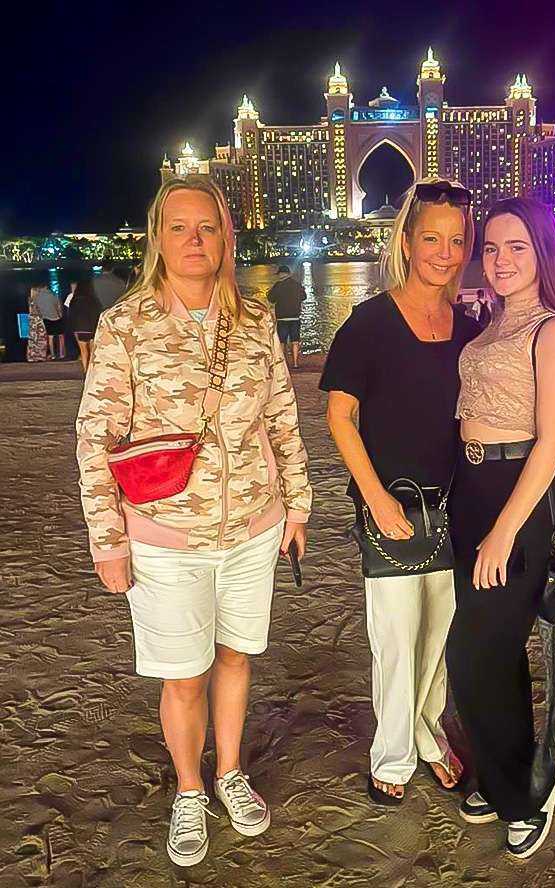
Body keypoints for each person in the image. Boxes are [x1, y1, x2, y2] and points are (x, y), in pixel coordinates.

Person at [76, 175, 312, 868]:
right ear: (158, 238)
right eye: (178, 227)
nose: (193, 240)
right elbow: (96, 436)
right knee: (183, 675)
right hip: (163, 536)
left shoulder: (256, 320)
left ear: (225, 237)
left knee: (236, 656)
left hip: (251, 528)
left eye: (206, 227)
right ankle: (188, 788)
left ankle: (229, 772)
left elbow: (280, 420)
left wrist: (296, 504)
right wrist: (107, 539)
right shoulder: (126, 325)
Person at [321, 178, 480, 804]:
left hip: (454, 506)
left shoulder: (467, 327)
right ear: (408, 241)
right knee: (395, 639)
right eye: (432, 238)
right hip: (391, 506)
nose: (445, 252)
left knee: (438, 636)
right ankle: (392, 749)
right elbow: (340, 415)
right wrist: (376, 498)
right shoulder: (370, 323)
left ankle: (427, 731)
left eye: (457, 240)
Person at [446, 196, 555, 859]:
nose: (500, 261)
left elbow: (550, 442)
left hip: (516, 500)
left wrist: (504, 530)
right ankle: (504, 773)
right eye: (492, 249)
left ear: (542, 254)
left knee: (471, 654)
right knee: (495, 651)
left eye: (517, 248)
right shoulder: (492, 323)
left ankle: (527, 792)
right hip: (472, 492)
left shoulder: (551, 330)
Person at [267, 265, 306, 369]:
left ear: (281, 274)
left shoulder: (278, 285)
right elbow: (304, 296)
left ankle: (284, 363)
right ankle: (295, 363)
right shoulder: (297, 285)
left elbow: (271, 299)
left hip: (282, 318)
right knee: (295, 341)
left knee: (282, 342)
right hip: (295, 317)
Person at [67, 279, 103, 372]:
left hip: (79, 328)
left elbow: (71, 315)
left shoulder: (74, 300)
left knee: (83, 351)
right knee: (92, 351)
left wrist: (73, 328)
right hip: (91, 327)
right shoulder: (94, 300)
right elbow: (97, 314)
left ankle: (85, 371)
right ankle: (92, 371)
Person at [33, 284, 66, 359]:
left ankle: (53, 355)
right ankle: (62, 354)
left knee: (50, 338)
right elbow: (59, 307)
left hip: (46, 319)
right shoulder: (54, 295)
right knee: (61, 336)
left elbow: (36, 309)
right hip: (57, 318)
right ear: (47, 287)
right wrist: (60, 315)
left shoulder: (37, 297)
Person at [26, 287, 49, 362]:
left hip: (33, 320)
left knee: (35, 338)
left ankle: (33, 356)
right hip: (37, 319)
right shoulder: (35, 300)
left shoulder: (31, 300)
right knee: (39, 338)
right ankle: (39, 356)